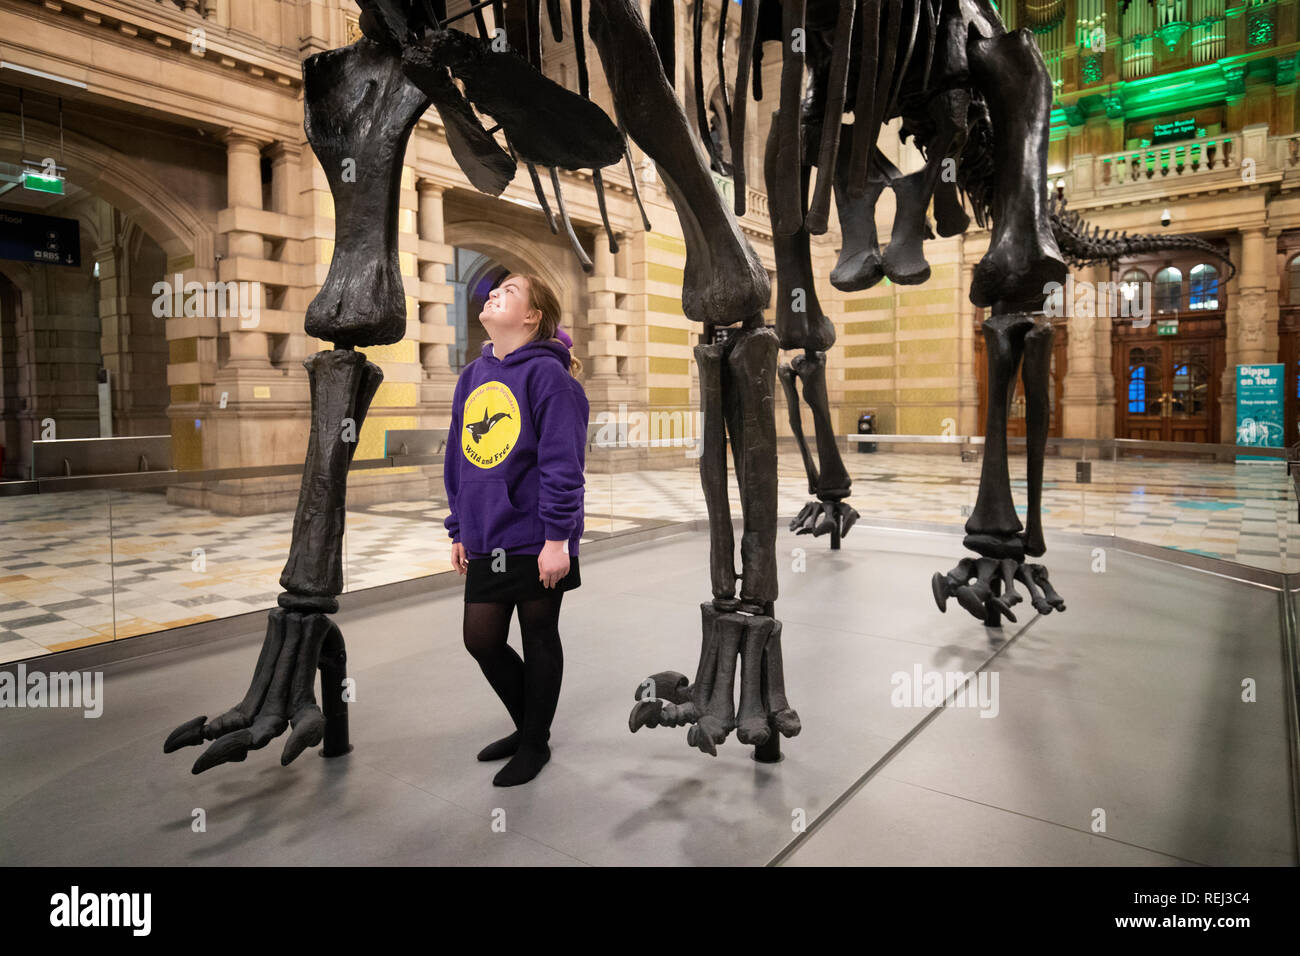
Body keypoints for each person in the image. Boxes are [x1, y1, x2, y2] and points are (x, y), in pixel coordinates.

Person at [443, 271, 588, 787]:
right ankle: (530, 725)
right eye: (493, 289)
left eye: (509, 290)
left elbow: (562, 464)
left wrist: (557, 540)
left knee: (538, 635)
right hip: (486, 535)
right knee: (480, 639)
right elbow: (459, 457)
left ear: (532, 315)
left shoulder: (550, 378)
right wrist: (459, 526)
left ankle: (534, 742)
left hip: (534, 535)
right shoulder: (472, 377)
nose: (494, 293)